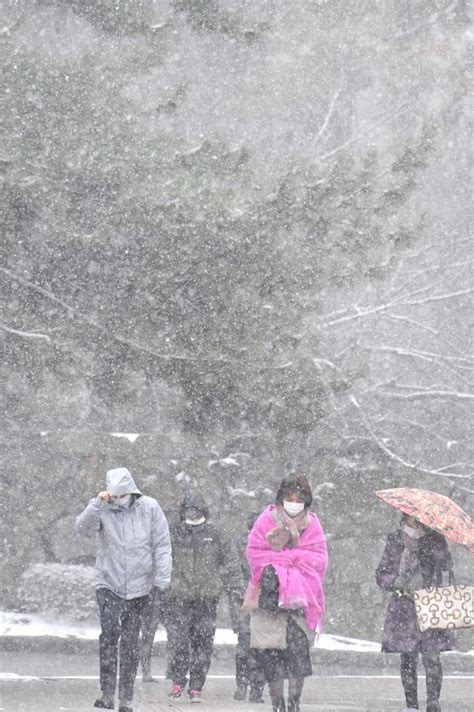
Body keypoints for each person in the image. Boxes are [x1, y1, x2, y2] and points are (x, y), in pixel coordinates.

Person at [75, 467, 171, 712]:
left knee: (130, 642)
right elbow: (82, 528)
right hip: (108, 582)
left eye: (122, 495)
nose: (118, 500)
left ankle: (126, 697)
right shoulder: (100, 508)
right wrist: (98, 503)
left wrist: (162, 578)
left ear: (131, 491)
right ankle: (107, 692)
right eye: (114, 495)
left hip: (140, 586)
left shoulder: (149, 507)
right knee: (109, 636)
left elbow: (161, 543)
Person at [243, 473, 328, 712]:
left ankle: (294, 704)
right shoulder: (265, 520)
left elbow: (319, 559)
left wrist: (293, 559)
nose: (294, 502)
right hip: (271, 602)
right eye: (289, 497)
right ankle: (277, 704)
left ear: (306, 501)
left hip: (300, 604)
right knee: (272, 659)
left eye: (299, 498)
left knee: (298, 659)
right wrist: (279, 564)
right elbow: (255, 553)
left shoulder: (313, 525)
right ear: (281, 498)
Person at [165, 490, 244, 703]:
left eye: (196, 510)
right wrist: (164, 584)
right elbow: (161, 559)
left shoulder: (215, 533)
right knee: (178, 641)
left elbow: (230, 561)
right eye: (188, 510)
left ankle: (197, 685)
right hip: (179, 597)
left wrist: (236, 587)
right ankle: (178, 681)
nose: (192, 514)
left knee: (203, 642)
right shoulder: (173, 532)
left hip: (207, 598)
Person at [376, 513, 455, 712]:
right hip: (405, 606)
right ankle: (411, 705)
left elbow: (446, 566)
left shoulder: (435, 539)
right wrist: (395, 581)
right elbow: (382, 574)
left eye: (420, 516)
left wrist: (433, 549)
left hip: (431, 603)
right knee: (408, 658)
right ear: (404, 517)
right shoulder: (395, 539)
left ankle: (433, 703)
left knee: (432, 657)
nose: (416, 520)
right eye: (412, 516)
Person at [233, 513, 266, 703]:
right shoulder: (244, 547)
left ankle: (248, 686)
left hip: (253, 601)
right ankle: (252, 687)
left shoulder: (244, 546)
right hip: (251, 601)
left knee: (251, 646)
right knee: (256, 647)